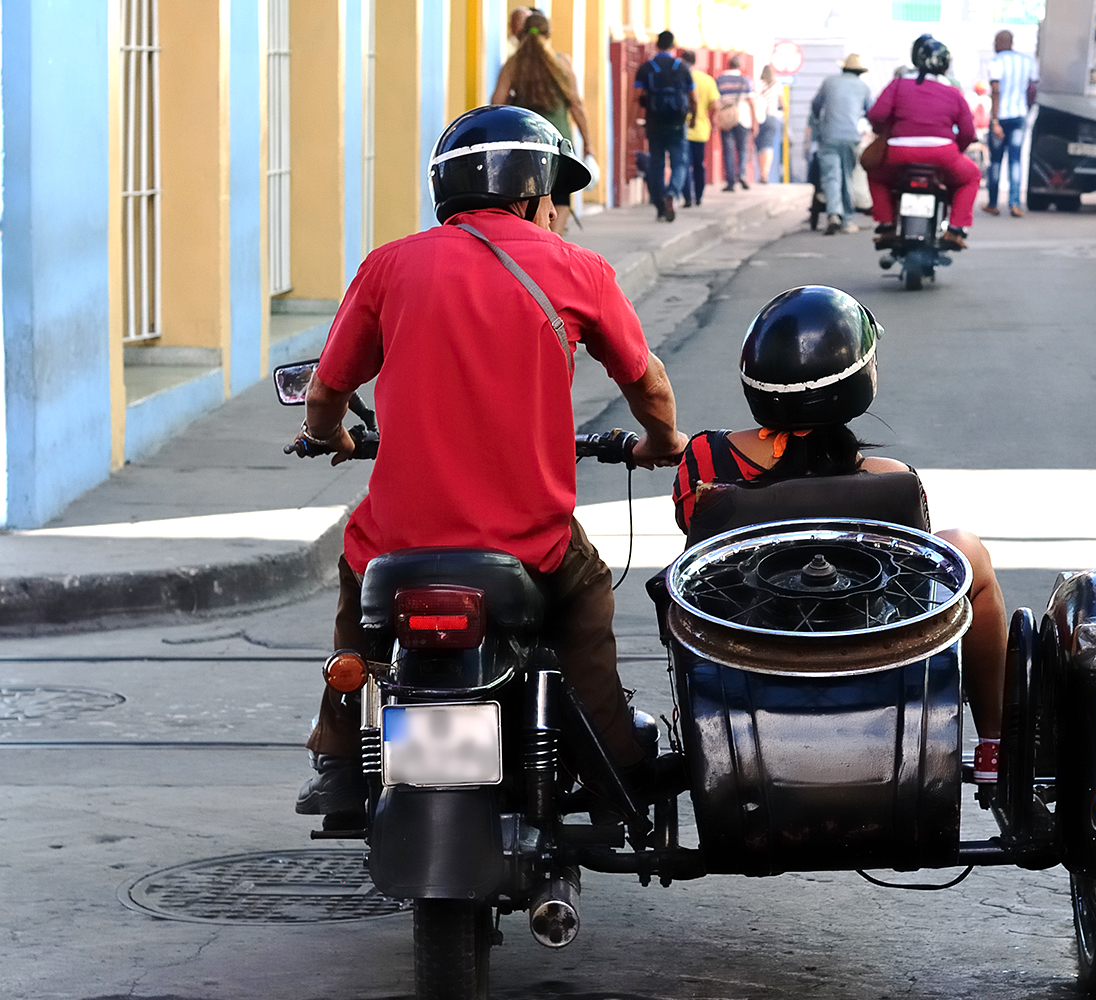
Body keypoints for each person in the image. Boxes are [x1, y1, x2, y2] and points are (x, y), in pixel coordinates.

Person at [291, 106, 689, 828]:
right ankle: (612, 763)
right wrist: (662, 441)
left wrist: (328, 435)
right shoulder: (580, 270)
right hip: (527, 541)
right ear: (531, 193)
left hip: (402, 542)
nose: (560, 212)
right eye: (557, 198)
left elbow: (326, 390)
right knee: (588, 594)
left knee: (360, 593)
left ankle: (343, 760)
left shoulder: (389, 266)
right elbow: (649, 384)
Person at [670, 286, 1008, 782]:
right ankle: (995, 744)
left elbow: (697, 536)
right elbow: (911, 583)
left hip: (744, 658)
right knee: (967, 551)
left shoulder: (705, 462)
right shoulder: (894, 481)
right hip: (872, 660)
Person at [866, 37, 980, 251]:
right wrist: (957, 152)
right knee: (971, 176)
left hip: (898, 153)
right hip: (943, 155)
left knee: (876, 175)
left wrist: (882, 131)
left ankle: (887, 226)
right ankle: (955, 230)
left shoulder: (899, 83)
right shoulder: (953, 92)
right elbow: (967, 132)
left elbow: (877, 115)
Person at [492, 9, 593, 235]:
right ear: (549, 34)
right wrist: (588, 143)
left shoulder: (513, 64)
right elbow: (577, 104)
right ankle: (552, 242)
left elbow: (496, 103)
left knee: (527, 199)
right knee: (561, 201)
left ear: (522, 34)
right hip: (559, 143)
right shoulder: (563, 63)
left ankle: (534, 243)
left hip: (525, 145)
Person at [634, 31, 695, 222]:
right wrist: (694, 117)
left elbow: (636, 97)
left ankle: (660, 206)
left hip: (654, 122)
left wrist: (632, 122)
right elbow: (694, 97)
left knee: (656, 163)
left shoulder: (646, 68)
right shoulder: (682, 67)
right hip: (677, 122)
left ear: (656, 45)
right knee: (679, 162)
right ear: (673, 45)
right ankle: (672, 192)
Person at [809, 53, 872, 235]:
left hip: (829, 136)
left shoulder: (829, 82)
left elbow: (816, 105)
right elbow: (871, 112)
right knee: (846, 177)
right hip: (850, 137)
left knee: (831, 177)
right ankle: (847, 219)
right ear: (859, 72)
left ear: (844, 68)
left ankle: (833, 213)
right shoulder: (863, 87)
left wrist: (819, 124)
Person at [982, 30, 1037, 218]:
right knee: (1015, 160)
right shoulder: (1026, 61)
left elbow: (995, 90)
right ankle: (1014, 203)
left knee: (996, 161)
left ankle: (993, 203)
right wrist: (1027, 109)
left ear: (999, 42)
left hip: (1001, 117)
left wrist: (995, 121)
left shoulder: (996, 61)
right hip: (1019, 116)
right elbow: (1032, 88)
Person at [682, 49, 720, 207]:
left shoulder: (681, 78)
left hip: (682, 128)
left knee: (684, 164)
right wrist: (713, 120)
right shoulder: (707, 80)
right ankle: (699, 195)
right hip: (701, 129)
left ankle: (687, 198)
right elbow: (716, 105)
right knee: (698, 164)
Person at [714, 55, 757, 191]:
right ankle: (742, 174)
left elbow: (716, 101)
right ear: (739, 66)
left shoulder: (719, 80)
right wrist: (755, 122)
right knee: (742, 148)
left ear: (728, 65)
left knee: (728, 149)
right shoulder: (746, 81)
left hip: (726, 117)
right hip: (743, 117)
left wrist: (715, 118)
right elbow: (751, 102)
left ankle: (730, 181)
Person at [754, 64, 786, 184]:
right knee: (768, 146)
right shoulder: (777, 85)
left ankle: (761, 171)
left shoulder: (758, 84)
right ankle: (765, 173)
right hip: (772, 118)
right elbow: (783, 104)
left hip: (759, 118)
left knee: (759, 145)